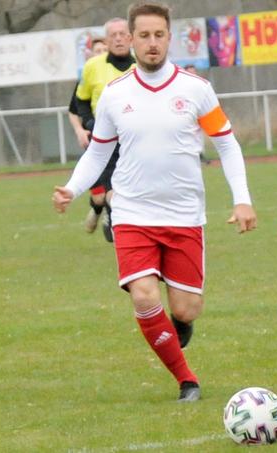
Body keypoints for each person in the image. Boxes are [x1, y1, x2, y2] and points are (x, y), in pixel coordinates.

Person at [52, 1, 257, 402]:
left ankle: (174, 328)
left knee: (186, 310)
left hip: (184, 216)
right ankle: (187, 381)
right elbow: (97, 152)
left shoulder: (195, 89)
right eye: (143, 36)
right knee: (144, 294)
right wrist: (72, 189)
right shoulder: (114, 94)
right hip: (132, 212)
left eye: (158, 35)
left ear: (169, 38)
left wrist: (243, 200)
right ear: (130, 39)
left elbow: (227, 145)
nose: (151, 43)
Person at [74, 17, 136, 242]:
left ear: (131, 37)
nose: (118, 39)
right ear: (107, 40)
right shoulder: (93, 67)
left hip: (136, 140)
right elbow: (79, 101)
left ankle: (114, 218)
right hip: (105, 141)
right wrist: (89, 124)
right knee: (109, 190)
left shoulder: (142, 65)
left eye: (122, 34)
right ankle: (118, 223)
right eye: (113, 35)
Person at [69, 37, 107, 154]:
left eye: (105, 50)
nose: (102, 54)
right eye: (98, 51)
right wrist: (80, 131)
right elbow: (73, 111)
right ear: (91, 55)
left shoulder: (118, 74)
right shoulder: (86, 78)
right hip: (94, 136)